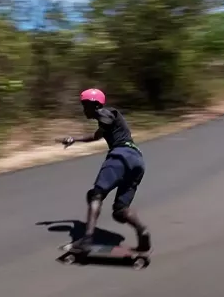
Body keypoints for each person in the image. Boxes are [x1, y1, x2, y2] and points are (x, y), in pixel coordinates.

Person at [56, 88, 152, 252]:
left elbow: (106, 116)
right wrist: (74, 139)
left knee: (95, 194)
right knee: (120, 211)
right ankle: (143, 232)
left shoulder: (108, 113)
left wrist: (98, 112)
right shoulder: (106, 122)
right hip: (137, 161)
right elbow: (95, 136)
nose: (83, 109)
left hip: (121, 156)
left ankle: (87, 240)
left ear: (94, 105)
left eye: (85, 105)